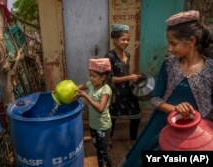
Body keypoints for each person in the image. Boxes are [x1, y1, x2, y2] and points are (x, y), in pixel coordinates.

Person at [120, 10, 213, 167]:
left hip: (194, 134)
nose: (169, 48)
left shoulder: (211, 69)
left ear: (191, 41)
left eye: (173, 43)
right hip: (161, 125)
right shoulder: (169, 65)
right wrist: (175, 109)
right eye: (169, 43)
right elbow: (155, 99)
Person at [104, 24, 143, 148]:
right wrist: (128, 77)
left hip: (128, 90)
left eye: (127, 39)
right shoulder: (109, 57)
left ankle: (133, 141)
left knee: (136, 115)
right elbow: (108, 79)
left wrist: (133, 79)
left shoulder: (127, 54)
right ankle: (109, 139)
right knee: (113, 117)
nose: (126, 42)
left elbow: (125, 72)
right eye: (123, 39)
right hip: (115, 92)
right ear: (115, 40)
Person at [73, 58, 114, 167]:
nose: (91, 78)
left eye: (94, 76)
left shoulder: (106, 90)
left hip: (103, 127)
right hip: (93, 125)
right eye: (90, 75)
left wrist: (85, 95)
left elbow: (100, 108)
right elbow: (77, 88)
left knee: (104, 152)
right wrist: (63, 91)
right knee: (98, 149)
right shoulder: (90, 85)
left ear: (103, 77)